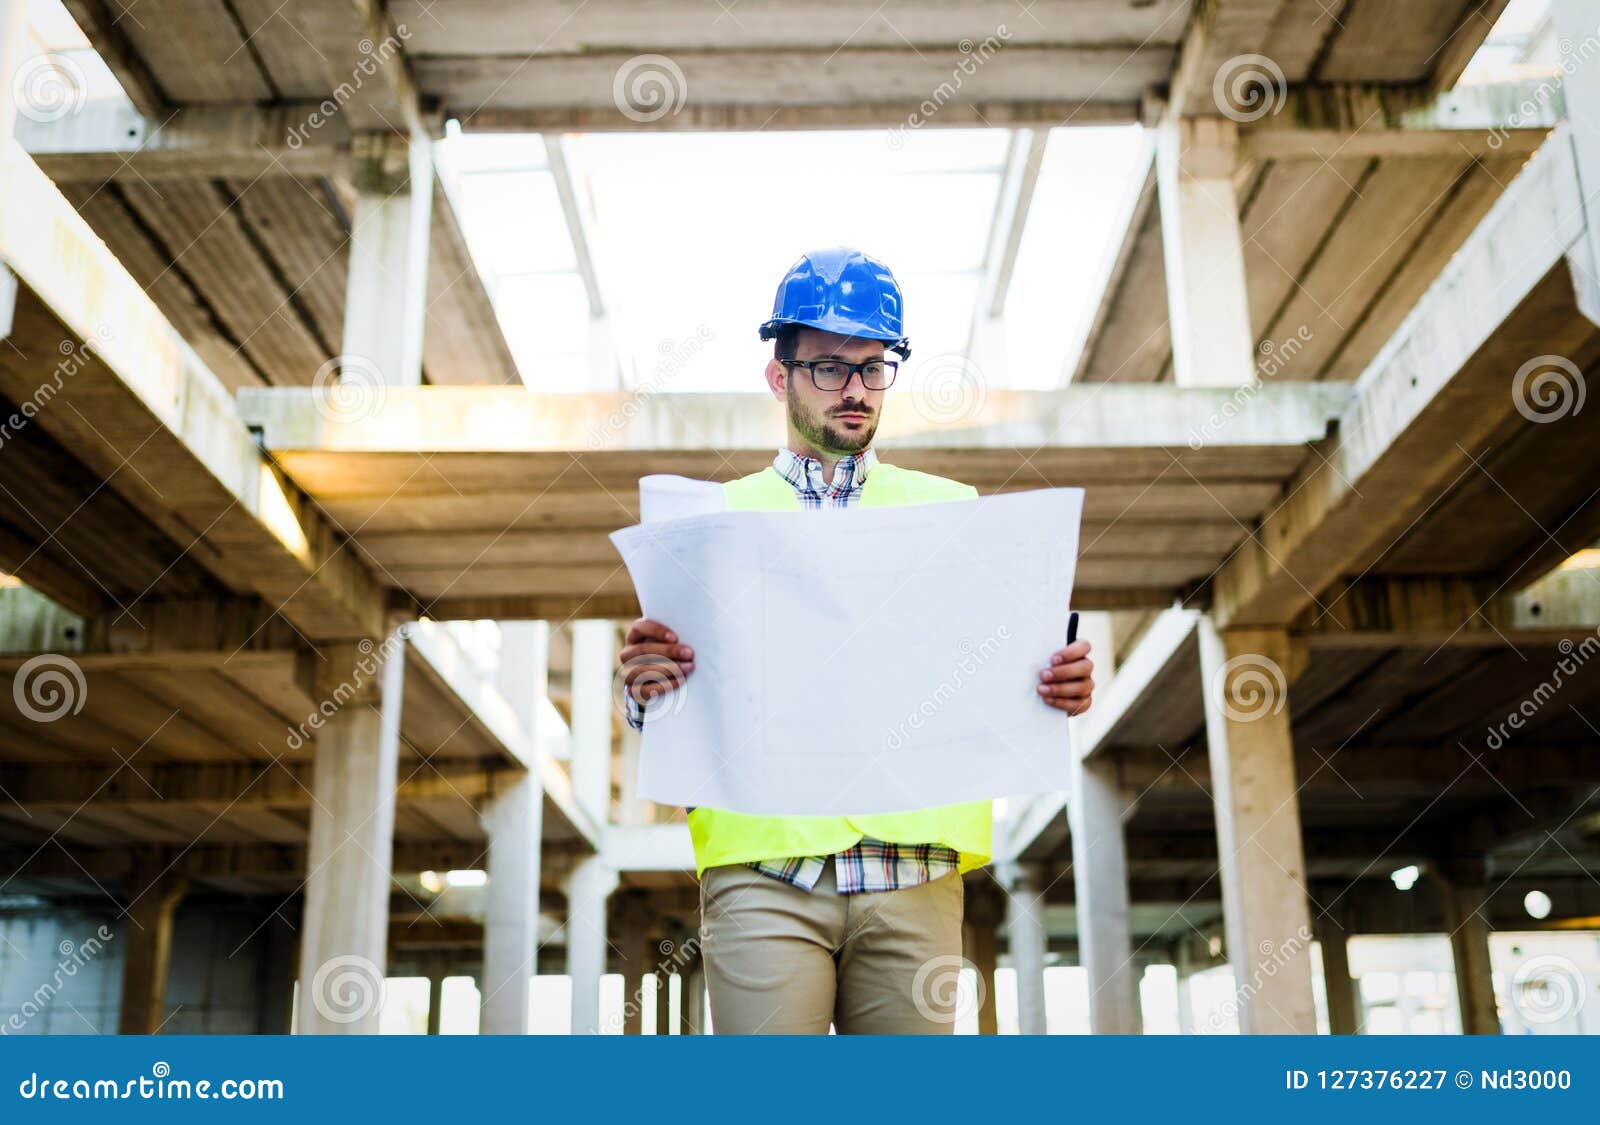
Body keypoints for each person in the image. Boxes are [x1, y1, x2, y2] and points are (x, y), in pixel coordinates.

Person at [618, 247, 1094, 1033]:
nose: (856, 391)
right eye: (831, 368)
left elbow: (1000, 674)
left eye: (875, 369)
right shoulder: (712, 525)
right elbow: (676, 711)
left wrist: (1057, 684)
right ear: (780, 377)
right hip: (765, 872)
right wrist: (646, 689)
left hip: (913, 872)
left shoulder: (953, 511)